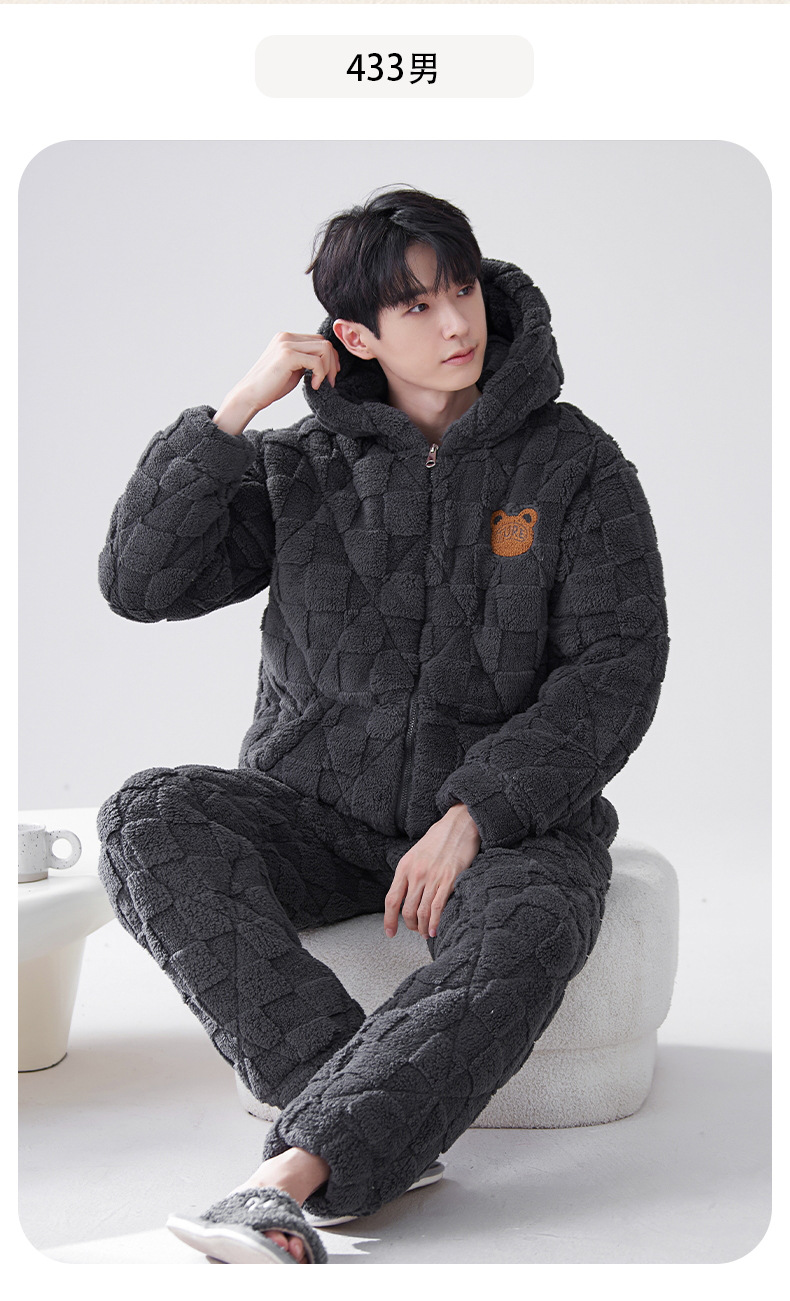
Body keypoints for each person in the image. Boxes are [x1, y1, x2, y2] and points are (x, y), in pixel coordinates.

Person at [96, 186, 670, 1265]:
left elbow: (616, 668)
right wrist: (234, 412)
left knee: (532, 928)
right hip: (316, 809)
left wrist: (475, 811)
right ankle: (362, 1106)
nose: (455, 324)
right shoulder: (299, 466)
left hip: (507, 830)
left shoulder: (575, 464)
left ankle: (287, 1180)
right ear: (355, 336)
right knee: (145, 817)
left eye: (462, 290)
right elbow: (137, 584)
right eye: (415, 307)